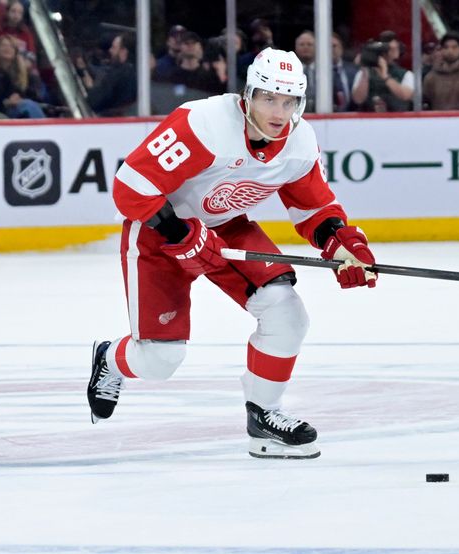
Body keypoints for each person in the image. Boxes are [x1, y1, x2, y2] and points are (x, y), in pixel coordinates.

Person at [87, 47, 377, 460]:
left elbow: (314, 208)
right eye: (269, 98)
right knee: (159, 361)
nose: (279, 111)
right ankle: (110, 360)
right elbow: (130, 186)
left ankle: (265, 417)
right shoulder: (204, 124)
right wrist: (177, 231)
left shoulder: (299, 142)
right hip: (157, 232)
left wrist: (341, 242)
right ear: (248, 95)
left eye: (289, 100)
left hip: (225, 228)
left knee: (287, 313)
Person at [351, 30, 414, 111]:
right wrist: (364, 72)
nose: (386, 52)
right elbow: (358, 99)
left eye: (392, 49)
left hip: (397, 120)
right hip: (369, 119)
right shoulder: (363, 73)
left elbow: (405, 96)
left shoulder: (406, 74)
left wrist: (385, 77)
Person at [81, 32, 137, 116]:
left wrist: (91, 87)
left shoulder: (117, 74)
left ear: (123, 52)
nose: (110, 50)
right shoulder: (140, 74)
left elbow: (95, 102)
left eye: (114, 48)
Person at [0, 34, 45, 118]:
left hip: (20, 107)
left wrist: (20, 98)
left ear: (15, 51)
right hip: (0, 111)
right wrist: (7, 102)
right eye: (3, 45)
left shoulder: (24, 73)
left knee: (28, 105)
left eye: (11, 46)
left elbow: (35, 95)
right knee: (28, 105)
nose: (7, 48)